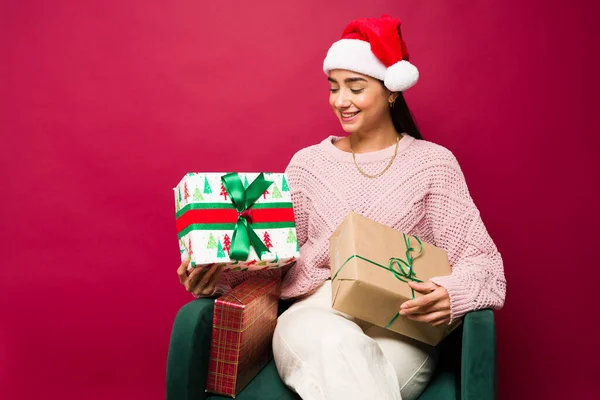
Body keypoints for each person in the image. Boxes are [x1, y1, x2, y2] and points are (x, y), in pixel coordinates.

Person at [177, 14, 506, 400]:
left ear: (391, 91)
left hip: (399, 326)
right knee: (334, 346)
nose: (341, 101)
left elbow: (485, 263)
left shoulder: (433, 164)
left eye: (355, 87)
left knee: (353, 369)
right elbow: (275, 262)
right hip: (315, 316)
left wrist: (454, 291)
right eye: (334, 88)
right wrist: (215, 274)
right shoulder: (308, 165)